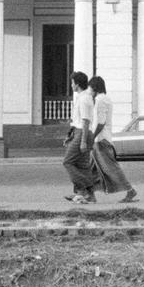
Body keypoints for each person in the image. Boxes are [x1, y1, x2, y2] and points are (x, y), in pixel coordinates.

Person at [89, 76, 138, 203]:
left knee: (111, 168)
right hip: (100, 140)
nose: (89, 91)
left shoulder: (100, 101)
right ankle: (89, 193)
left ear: (94, 88)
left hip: (101, 140)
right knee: (92, 168)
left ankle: (130, 190)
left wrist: (92, 138)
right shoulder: (106, 99)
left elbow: (100, 123)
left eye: (90, 88)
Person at [62, 71, 98, 204]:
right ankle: (91, 196)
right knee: (83, 165)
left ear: (77, 84)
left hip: (83, 133)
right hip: (80, 132)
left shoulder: (84, 99)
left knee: (68, 162)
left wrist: (82, 141)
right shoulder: (83, 97)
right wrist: (70, 135)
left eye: (72, 82)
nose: (71, 85)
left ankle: (83, 189)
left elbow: (85, 121)